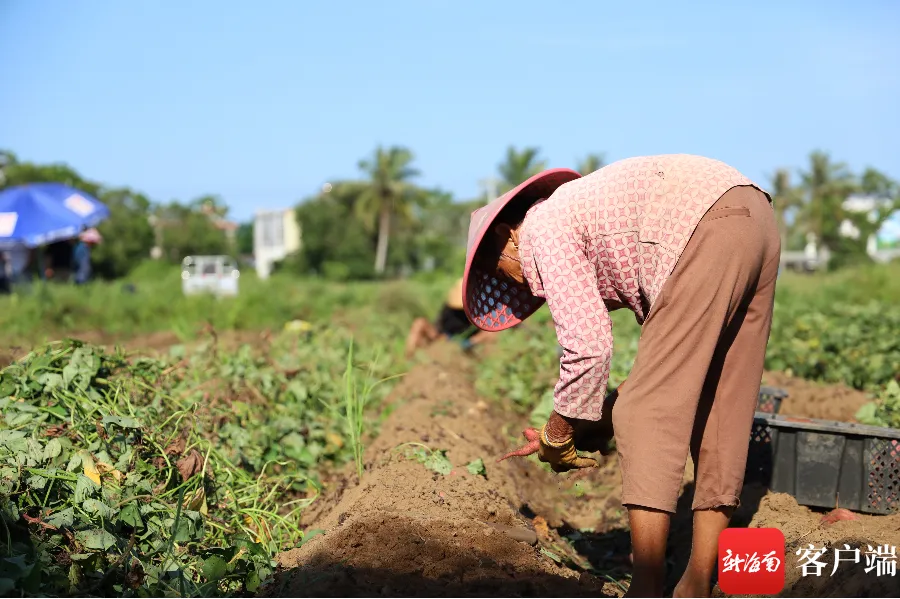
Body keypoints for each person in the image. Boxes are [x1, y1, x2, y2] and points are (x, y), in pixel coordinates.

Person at [462, 156, 780, 598]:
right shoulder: (575, 211)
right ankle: (695, 585)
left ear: (506, 235)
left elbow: (590, 348)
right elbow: (670, 372)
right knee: (721, 402)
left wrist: (559, 432)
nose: (518, 283)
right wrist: (587, 422)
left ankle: (647, 586)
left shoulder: (543, 229)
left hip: (701, 225)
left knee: (643, 413)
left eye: (501, 271)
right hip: (754, 217)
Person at [404, 277, 495, 358]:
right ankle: (408, 358)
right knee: (419, 323)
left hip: (467, 342)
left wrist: (469, 342)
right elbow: (439, 326)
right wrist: (442, 337)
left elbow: (484, 332)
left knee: (491, 334)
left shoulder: (480, 311)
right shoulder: (449, 307)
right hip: (444, 338)